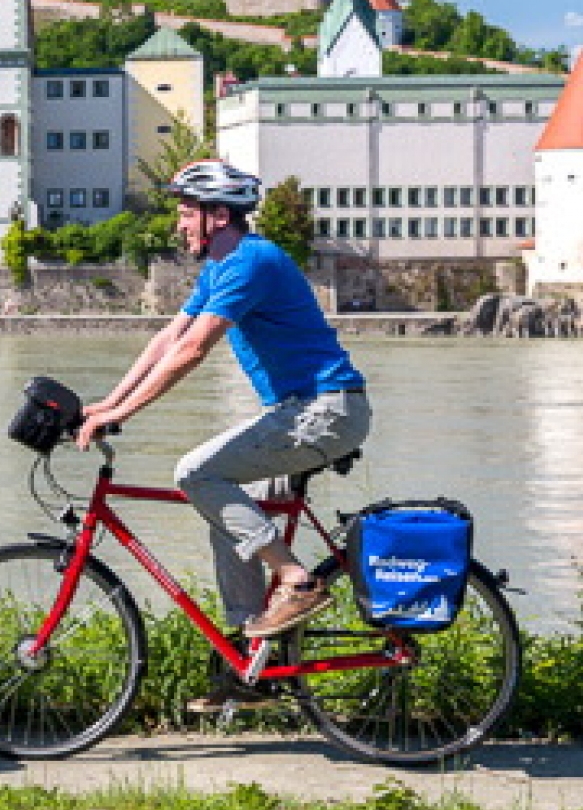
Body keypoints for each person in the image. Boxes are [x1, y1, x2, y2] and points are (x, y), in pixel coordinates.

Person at [77, 161, 371, 663]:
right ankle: (249, 655)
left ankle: (297, 581)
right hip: (301, 412)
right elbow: (169, 337)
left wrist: (126, 410)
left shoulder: (251, 261)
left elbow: (193, 351)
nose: (179, 222)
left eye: (186, 211)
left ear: (217, 215)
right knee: (227, 516)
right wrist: (109, 402)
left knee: (195, 472)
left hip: (325, 410)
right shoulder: (221, 266)